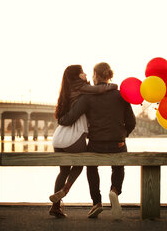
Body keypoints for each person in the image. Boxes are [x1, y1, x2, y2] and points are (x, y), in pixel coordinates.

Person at [58, 62, 136, 220]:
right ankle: (114, 190)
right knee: (119, 165)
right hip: (117, 143)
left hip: (96, 144)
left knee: (91, 167)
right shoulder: (121, 95)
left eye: (92, 75)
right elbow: (131, 122)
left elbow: (71, 118)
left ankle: (96, 202)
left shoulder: (88, 97)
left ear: (95, 76)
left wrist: (61, 119)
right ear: (109, 75)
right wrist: (122, 134)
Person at [49, 64, 117, 218]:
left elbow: (64, 117)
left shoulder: (66, 90)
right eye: (83, 72)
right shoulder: (83, 89)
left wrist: (61, 119)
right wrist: (114, 86)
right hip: (73, 137)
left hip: (59, 139)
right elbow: (99, 89)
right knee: (82, 161)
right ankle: (66, 189)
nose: (86, 74)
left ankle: (55, 206)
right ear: (77, 76)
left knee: (63, 170)